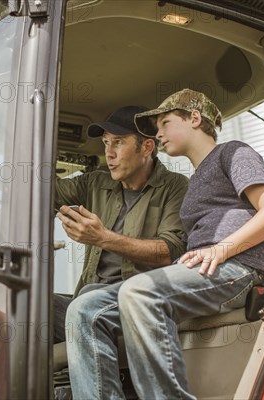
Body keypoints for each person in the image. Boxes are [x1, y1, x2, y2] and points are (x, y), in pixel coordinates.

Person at [66, 89, 264, 399]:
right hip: (202, 270)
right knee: (84, 307)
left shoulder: (233, 152)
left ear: (194, 118)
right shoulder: (195, 179)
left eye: (164, 123)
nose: (157, 135)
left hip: (238, 267)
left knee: (138, 291)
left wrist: (221, 249)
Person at [54, 105, 189, 344]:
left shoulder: (175, 187)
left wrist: (102, 238)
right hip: (88, 297)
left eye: (118, 142)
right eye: (106, 143)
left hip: (136, 302)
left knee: (86, 299)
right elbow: (47, 192)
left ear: (147, 147)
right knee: (28, 307)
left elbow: (169, 252)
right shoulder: (97, 182)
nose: (109, 153)